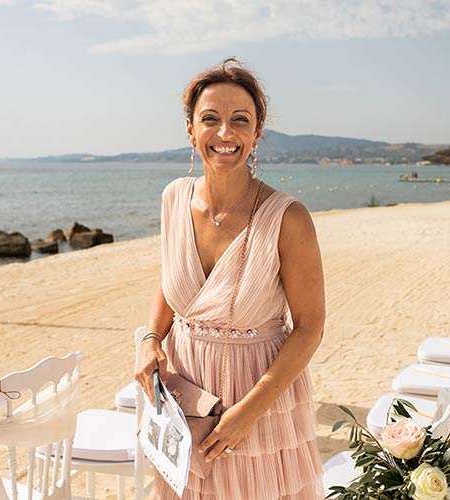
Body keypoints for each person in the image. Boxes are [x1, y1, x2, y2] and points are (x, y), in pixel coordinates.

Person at [135, 58, 325, 499]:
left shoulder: (288, 217)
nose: (225, 133)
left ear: (257, 133)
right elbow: (171, 280)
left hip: (260, 402)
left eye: (240, 120)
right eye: (210, 119)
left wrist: (249, 412)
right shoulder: (173, 199)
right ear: (190, 130)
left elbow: (311, 326)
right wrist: (150, 339)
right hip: (183, 402)